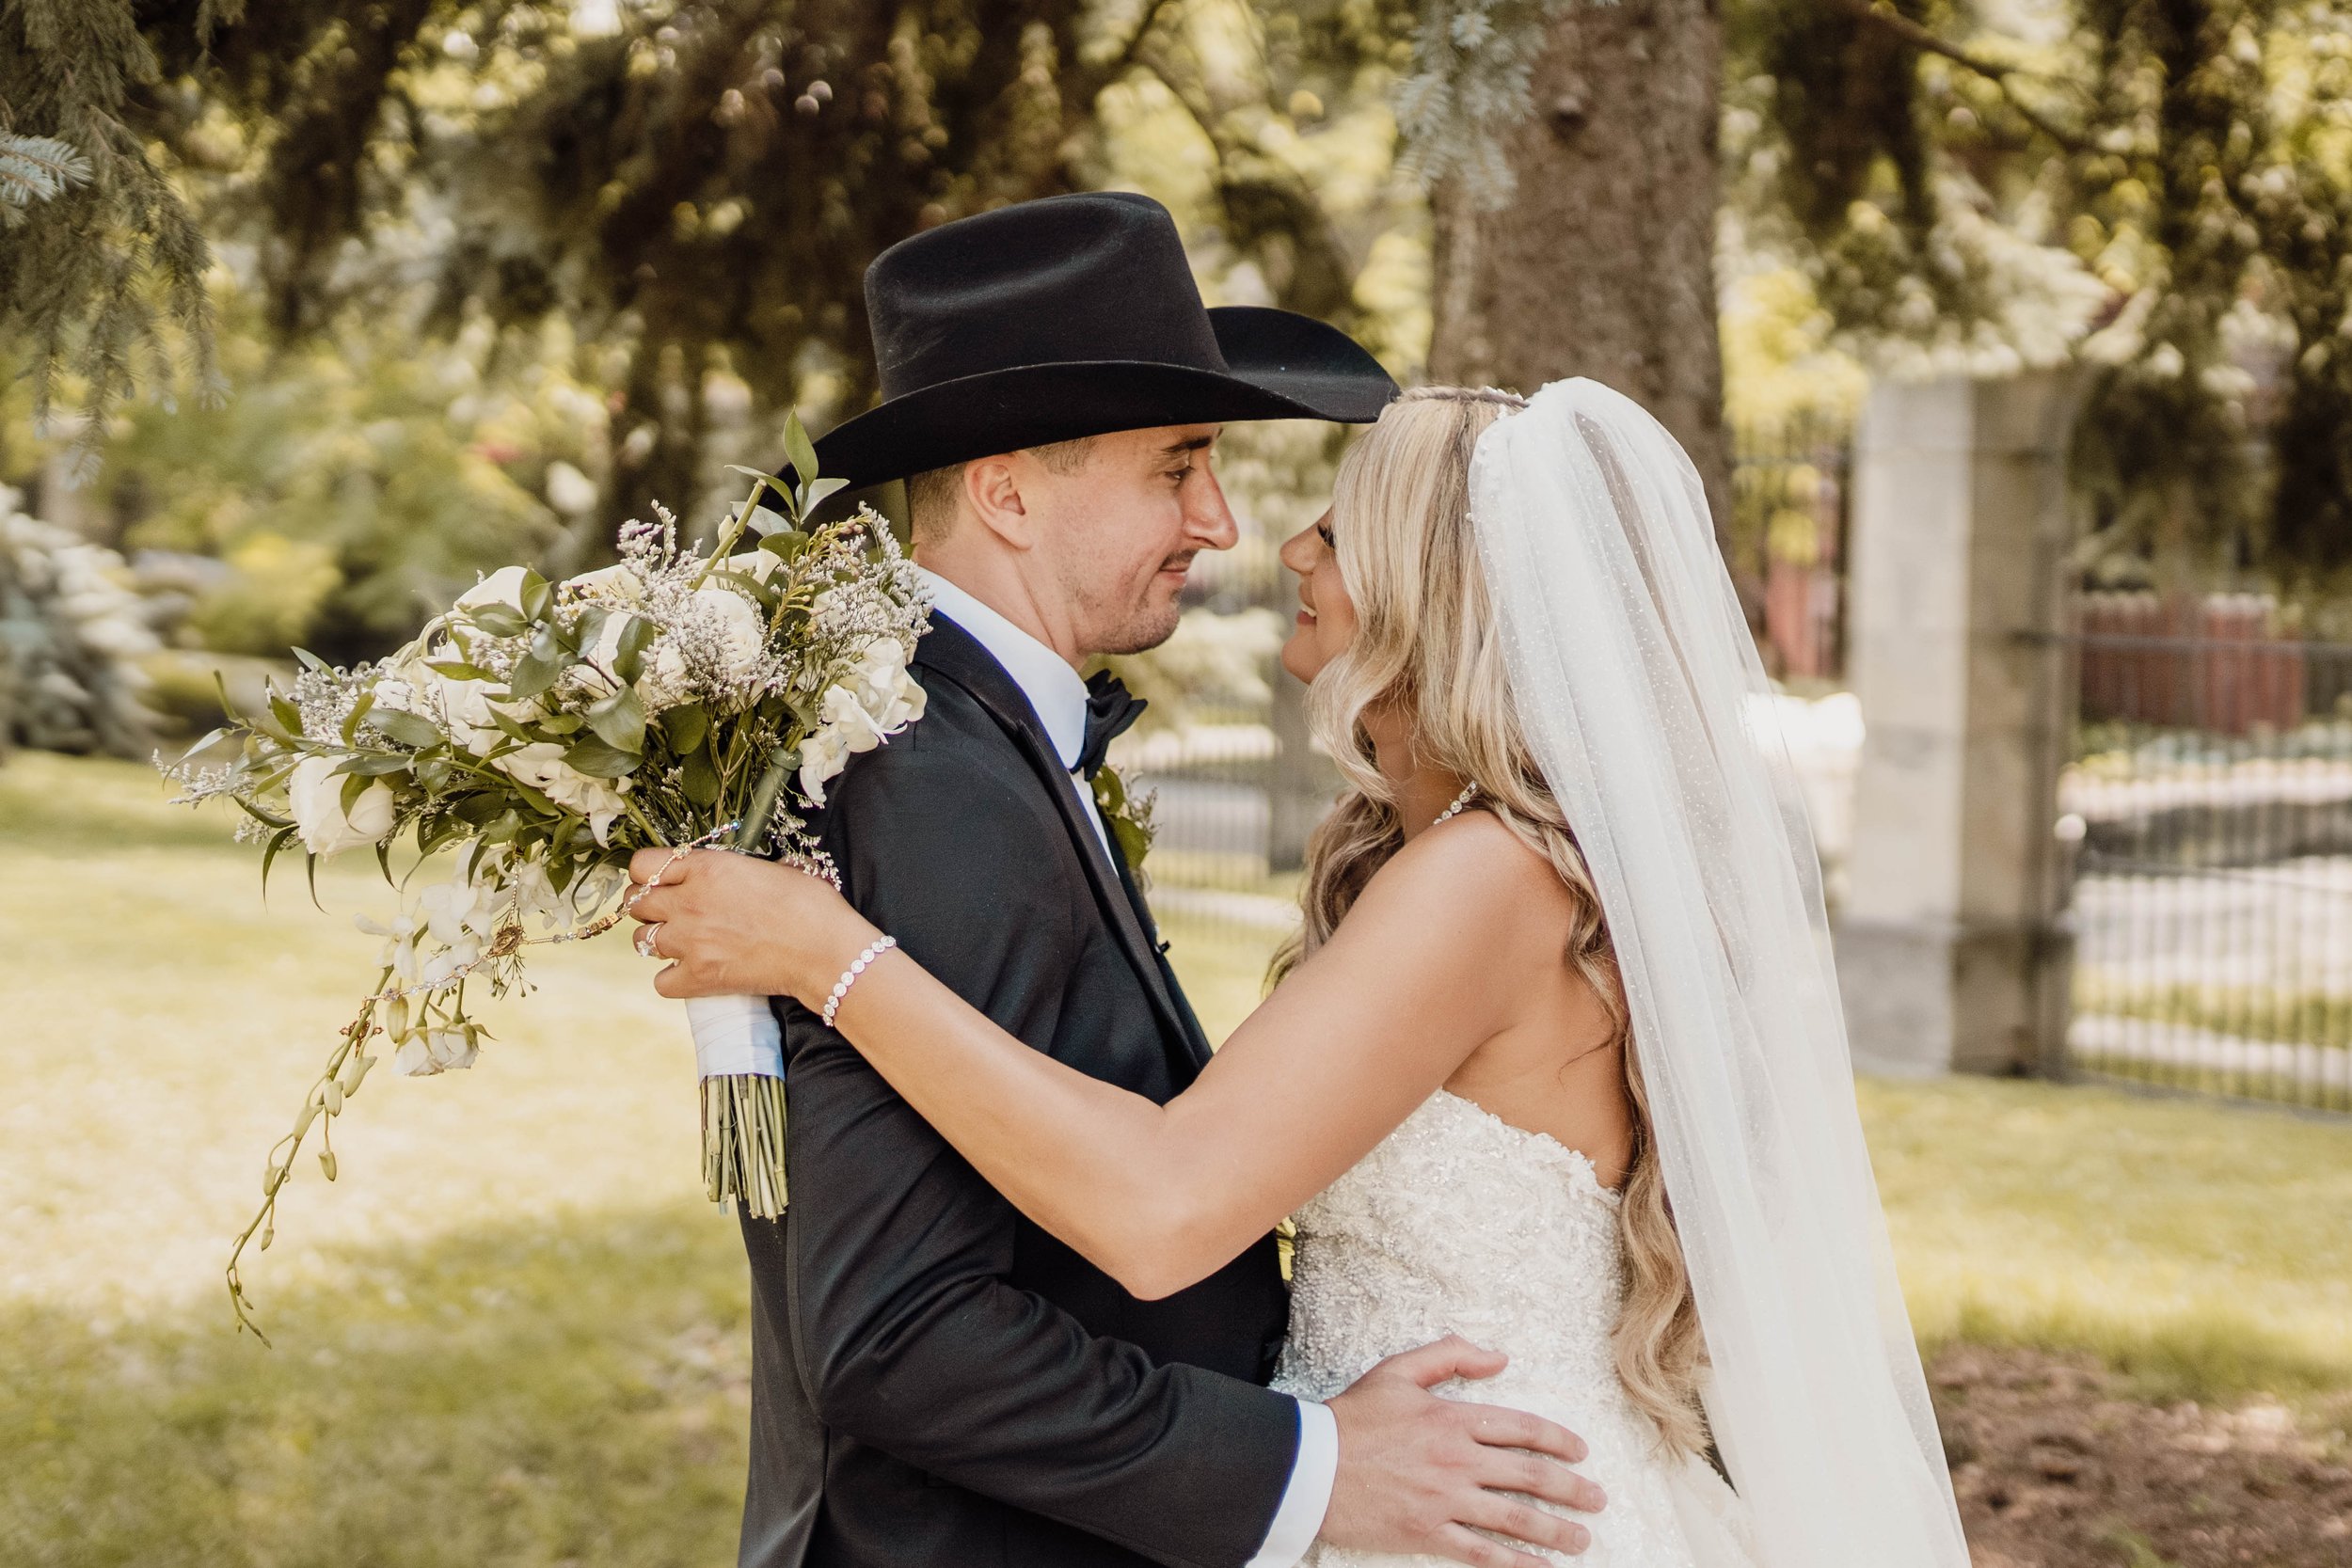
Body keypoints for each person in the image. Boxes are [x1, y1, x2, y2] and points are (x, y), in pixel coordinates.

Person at [631, 377, 1979, 1568]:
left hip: (1471, 1515)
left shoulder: (1483, 880)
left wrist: (826, 955)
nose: (1277, 544)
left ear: (1427, 583)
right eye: (1183, 467)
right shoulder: (1483, 862)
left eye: (1335, 528)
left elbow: (1163, 1198)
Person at [659, 191, 1605, 1568]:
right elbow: (896, 1333)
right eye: (1178, 466)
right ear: (1006, 489)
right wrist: (1306, 1469)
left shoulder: (992, 743)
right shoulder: (925, 770)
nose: (1227, 525)